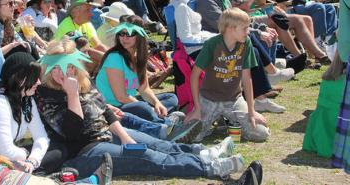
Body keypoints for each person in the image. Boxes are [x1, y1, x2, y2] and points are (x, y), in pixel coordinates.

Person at [36, 38, 253, 180]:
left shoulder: (82, 82)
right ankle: (210, 168)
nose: (63, 73)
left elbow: (105, 110)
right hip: (87, 151)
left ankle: (205, 154)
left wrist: (125, 138)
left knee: (158, 145)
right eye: (56, 68)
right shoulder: (47, 95)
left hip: (109, 134)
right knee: (150, 158)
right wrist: (72, 95)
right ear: (47, 68)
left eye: (70, 67)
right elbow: (72, 132)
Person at [186, 8, 271, 142]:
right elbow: (194, 76)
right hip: (209, 98)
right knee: (193, 137)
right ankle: (183, 117)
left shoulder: (246, 43)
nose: (247, 32)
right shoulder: (212, 44)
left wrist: (251, 110)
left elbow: (246, 78)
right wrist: (197, 108)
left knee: (261, 133)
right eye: (244, 28)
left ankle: (224, 122)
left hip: (233, 99)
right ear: (231, 28)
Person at [95, 16, 185, 125]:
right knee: (142, 107)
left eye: (130, 34)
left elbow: (144, 89)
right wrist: (148, 107)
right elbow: (121, 97)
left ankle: (157, 118)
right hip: (114, 107)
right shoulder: (114, 57)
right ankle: (166, 124)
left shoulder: (138, 56)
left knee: (171, 98)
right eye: (121, 33)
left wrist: (156, 103)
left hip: (130, 102)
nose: (124, 38)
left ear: (140, 35)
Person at [0, 53, 55, 173]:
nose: (38, 82)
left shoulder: (26, 99)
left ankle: (29, 171)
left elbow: (42, 137)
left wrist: (32, 161)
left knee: (58, 150)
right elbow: (6, 151)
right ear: (18, 78)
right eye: (34, 77)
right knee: (53, 155)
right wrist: (26, 153)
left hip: (12, 157)